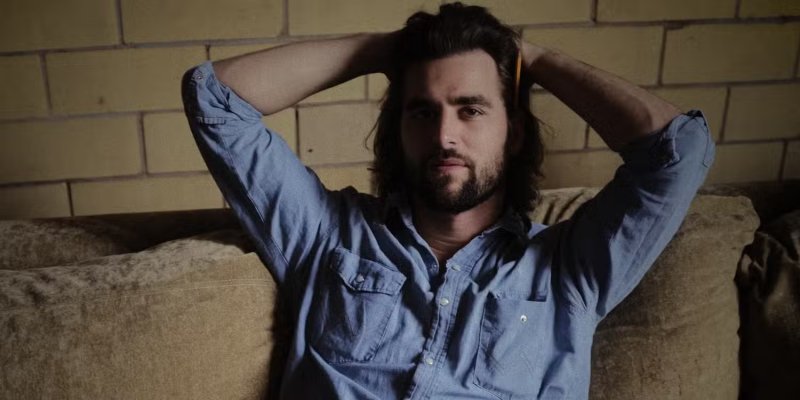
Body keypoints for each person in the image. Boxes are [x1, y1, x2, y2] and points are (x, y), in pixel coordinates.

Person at [181, 3, 714, 399]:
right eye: (422, 111)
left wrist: (529, 57)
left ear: (515, 132)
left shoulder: (569, 270)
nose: (444, 136)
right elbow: (214, 99)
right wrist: (380, 50)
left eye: (471, 109)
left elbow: (680, 151)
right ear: (398, 131)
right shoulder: (325, 234)